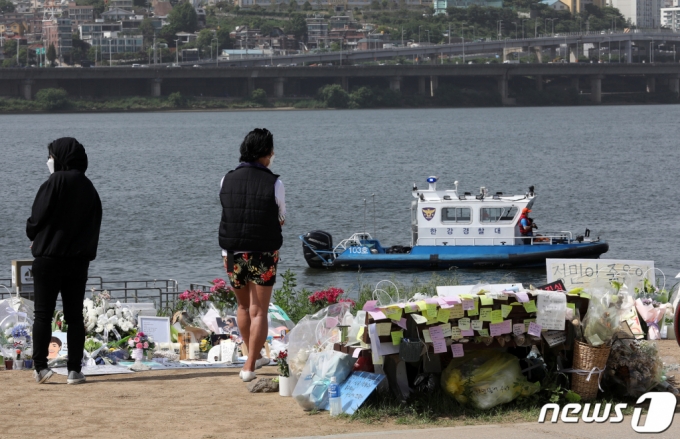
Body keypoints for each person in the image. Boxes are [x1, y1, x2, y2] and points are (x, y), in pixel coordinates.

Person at [27, 137, 102, 385]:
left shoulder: (56, 181)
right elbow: (93, 225)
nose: (49, 161)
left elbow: (37, 218)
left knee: (42, 315)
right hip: (77, 262)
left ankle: (40, 367)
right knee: (74, 317)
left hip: (48, 259)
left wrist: (34, 235)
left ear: (59, 157)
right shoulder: (89, 187)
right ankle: (74, 370)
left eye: (51, 156)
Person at [218, 128, 285, 382]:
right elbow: (281, 218)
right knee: (259, 310)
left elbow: (229, 208)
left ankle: (253, 355)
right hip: (262, 253)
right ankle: (249, 366)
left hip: (232, 252)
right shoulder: (275, 183)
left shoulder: (226, 178)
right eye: (271, 151)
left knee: (243, 306)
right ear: (265, 154)